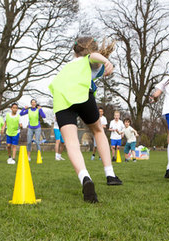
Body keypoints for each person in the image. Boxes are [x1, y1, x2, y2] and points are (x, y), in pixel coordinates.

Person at [48, 36, 122, 203]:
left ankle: (85, 178)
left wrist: (103, 65)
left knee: (72, 143)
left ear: (75, 50)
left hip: (61, 99)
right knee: (98, 130)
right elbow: (93, 58)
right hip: (81, 95)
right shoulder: (88, 61)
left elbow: (93, 62)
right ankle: (110, 174)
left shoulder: (68, 66)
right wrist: (106, 61)